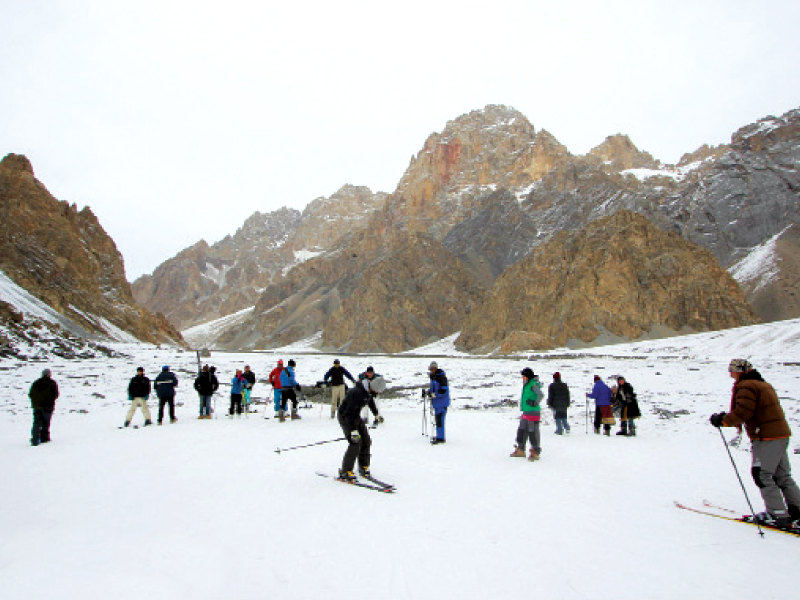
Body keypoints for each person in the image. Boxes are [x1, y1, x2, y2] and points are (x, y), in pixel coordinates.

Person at [710, 359, 800, 528]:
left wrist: (723, 421)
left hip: (766, 436)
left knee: (762, 474)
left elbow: (743, 412)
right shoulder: (761, 384)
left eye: (732, 370)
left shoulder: (747, 386)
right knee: (782, 476)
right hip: (780, 434)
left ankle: (777, 514)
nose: (730, 374)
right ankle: (797, 511)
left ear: (740, 371)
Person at [337, 375, 386, 481]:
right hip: (346, 416)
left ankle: (363, 466)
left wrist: (376, 414)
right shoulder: (357, 393)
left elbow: (370, 402)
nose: (378, 393)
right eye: (378, 391)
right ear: (373, 387)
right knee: (355, 442)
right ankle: (345, 471)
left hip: (355, 416)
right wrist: (353, 430)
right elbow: (348, 412)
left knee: (366, 440)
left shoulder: (367, 391)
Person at [509, 367, 543, 460]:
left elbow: (540, 394)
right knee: (522, 430)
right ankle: (520, 449)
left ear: (528, 376)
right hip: (526, 411)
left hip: (533, 412)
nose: (523, 378)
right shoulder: (527, 384)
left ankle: (535, 451)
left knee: (533, 432)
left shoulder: (533, 384)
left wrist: (534, 403)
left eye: (524, 376)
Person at [29, 368, 59, 446]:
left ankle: (35, 439)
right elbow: (56, 394)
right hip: (47, 406)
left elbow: (31, 394)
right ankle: (44, 439)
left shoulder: (36, 383)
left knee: (36, 423)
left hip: (37, 406)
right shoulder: (52, 383)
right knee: (46, 423)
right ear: (49, 374)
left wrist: (35, 402)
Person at [428, 361, 451, 444]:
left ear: (436, 368)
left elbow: (444, 390)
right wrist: (428, 392)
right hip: (437, 403)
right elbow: (433, 389)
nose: (431, 370)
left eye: (433, 368)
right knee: (438, 420)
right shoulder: (434, 377)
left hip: (442, 403)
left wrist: (434, 395)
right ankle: (439, 436)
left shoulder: (442, 377)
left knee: (440, 420)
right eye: (430, 369)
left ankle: (441, 439)